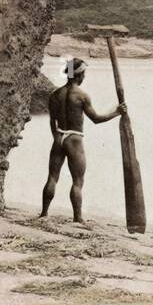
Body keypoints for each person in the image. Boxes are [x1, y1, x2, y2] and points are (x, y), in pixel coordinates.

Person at [41, 57, 125, 223]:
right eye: (83, 73)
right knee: (78, 181)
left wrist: (56, 137)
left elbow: (52, 121)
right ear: (79, 75)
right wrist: (117, 112)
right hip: (74, 138)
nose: (84, 76)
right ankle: (77, 218)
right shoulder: (81, 96)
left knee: (52, 177)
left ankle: (44, 213)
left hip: (59, 136)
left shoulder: (54, 95)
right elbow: (96, 118)